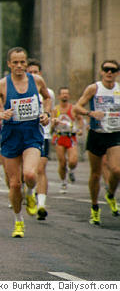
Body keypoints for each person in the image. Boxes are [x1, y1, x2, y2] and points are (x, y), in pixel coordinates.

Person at [0, 47, 51, 238]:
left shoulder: (36, 81)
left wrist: (46, 114)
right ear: (9, 64)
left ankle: (30, 194)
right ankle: (18, 221)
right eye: (16, 62)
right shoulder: (2, 85)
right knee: (13, 184)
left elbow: (47, 98)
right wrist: (0, 114)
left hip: (32, 134)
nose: (19, 66)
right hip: (11, 136)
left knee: (29, 174)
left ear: (26, 63)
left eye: (23, 62)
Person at [73, 60, 120, 226]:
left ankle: (110, 194)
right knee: (95, 173)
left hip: (114, 134)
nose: (109, 72)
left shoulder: (118, 89)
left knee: (117, 170)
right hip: (96, 134)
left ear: (117, 73)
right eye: (106, 69)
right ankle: (94, 207)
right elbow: (76, 107)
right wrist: (90, 113)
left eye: (113, 70)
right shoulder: (94, 88)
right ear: (101, 72)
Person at [26, 59, 54, 221]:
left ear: (40, 74)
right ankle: (29, 192)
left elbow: (50, 107)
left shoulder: (48, 92)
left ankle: (41, 204)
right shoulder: (20, 89)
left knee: (41, 169)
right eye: (30, 72)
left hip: (43, 134)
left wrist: (48, 116)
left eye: (36, 72)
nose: (33, 75)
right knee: (29, 173)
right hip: (25, 135)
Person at [52, 87, 83, 193]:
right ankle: (63, 182)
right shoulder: (55, 109)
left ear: (69, 96)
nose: (65, 95)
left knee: (73, 161)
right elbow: (51, 125)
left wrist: (80, 129)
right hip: (59, 136)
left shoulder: (73, 108)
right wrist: (53, 125)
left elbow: (80, 119)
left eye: (67, 94)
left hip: (70, 136)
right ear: (59, 96)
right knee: (62, 162)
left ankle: (71, 171)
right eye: (63, 94)